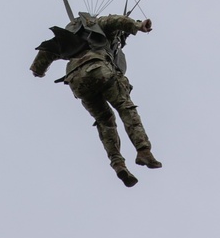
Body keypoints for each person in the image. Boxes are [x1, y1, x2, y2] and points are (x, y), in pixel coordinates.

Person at [31, 12, 162, 187]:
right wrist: (137, 25)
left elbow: (45, 56)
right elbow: (116, 21)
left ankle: (118, 164)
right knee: (125, 107)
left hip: (77, 82)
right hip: (99, 70)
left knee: (105, 121)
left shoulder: (69, 38)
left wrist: (38, 70)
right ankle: (143, 150)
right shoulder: (97, 24)